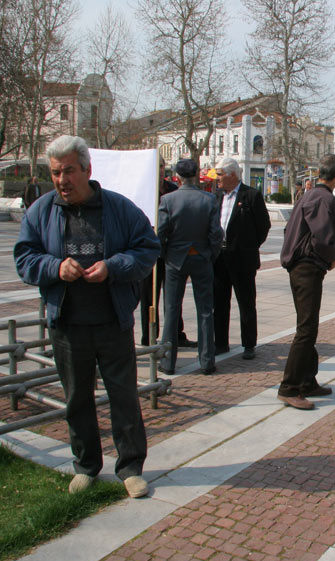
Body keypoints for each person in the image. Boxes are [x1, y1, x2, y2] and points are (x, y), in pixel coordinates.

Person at [14, 135, 160, 498]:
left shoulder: (119, 209)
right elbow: (24, 258)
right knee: (77, 398)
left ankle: (130, 467)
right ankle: (86, 465)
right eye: (55, 173)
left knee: (123, 397)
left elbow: (147, 248)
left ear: (87, 170)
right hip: (67, 324)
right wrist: (53, 266)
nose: (62, 180)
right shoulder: (41, 211)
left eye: (69, 171)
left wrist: (112, 267)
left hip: (112, 322)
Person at [278, 154, 335, 410]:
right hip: (306, 267)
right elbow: (322, 237)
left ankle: (307, 380)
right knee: (306, 329)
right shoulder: (323, 197)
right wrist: (332, 257)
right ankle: (289, 387)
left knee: (308, 325)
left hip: (300, 266)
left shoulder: (308, 195)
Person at [157, 159, 223, 376]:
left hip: (176, 259)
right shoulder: (209, 199)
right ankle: (207, 360)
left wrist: (167, 254)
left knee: (172, 310)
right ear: (195, 175)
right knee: (205, 310)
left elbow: (161, 233)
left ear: (177, 176)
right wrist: (210, 254)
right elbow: (216, 233)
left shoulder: (168, 200)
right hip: (201, 256)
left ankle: (168, 362)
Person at [213, 157, 270, 360]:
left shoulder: (251, 196)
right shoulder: (217, 196)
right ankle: (220, 342)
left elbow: (263, 226)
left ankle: (249, 344)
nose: (217, 179)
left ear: (232, 175)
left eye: (220, 175)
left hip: (242, 258)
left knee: (246, 302)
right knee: (219, 302)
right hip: (219, 258)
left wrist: (249, 245)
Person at [140, 158, 195, 348]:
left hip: (171, 251)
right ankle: (148, 337)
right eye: (157, 166)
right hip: (149, 252)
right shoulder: (144, 191)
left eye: (162, 166)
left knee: (173, 297)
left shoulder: (173, 190)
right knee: (148, 296)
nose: (160, 170)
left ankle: (175, 334)